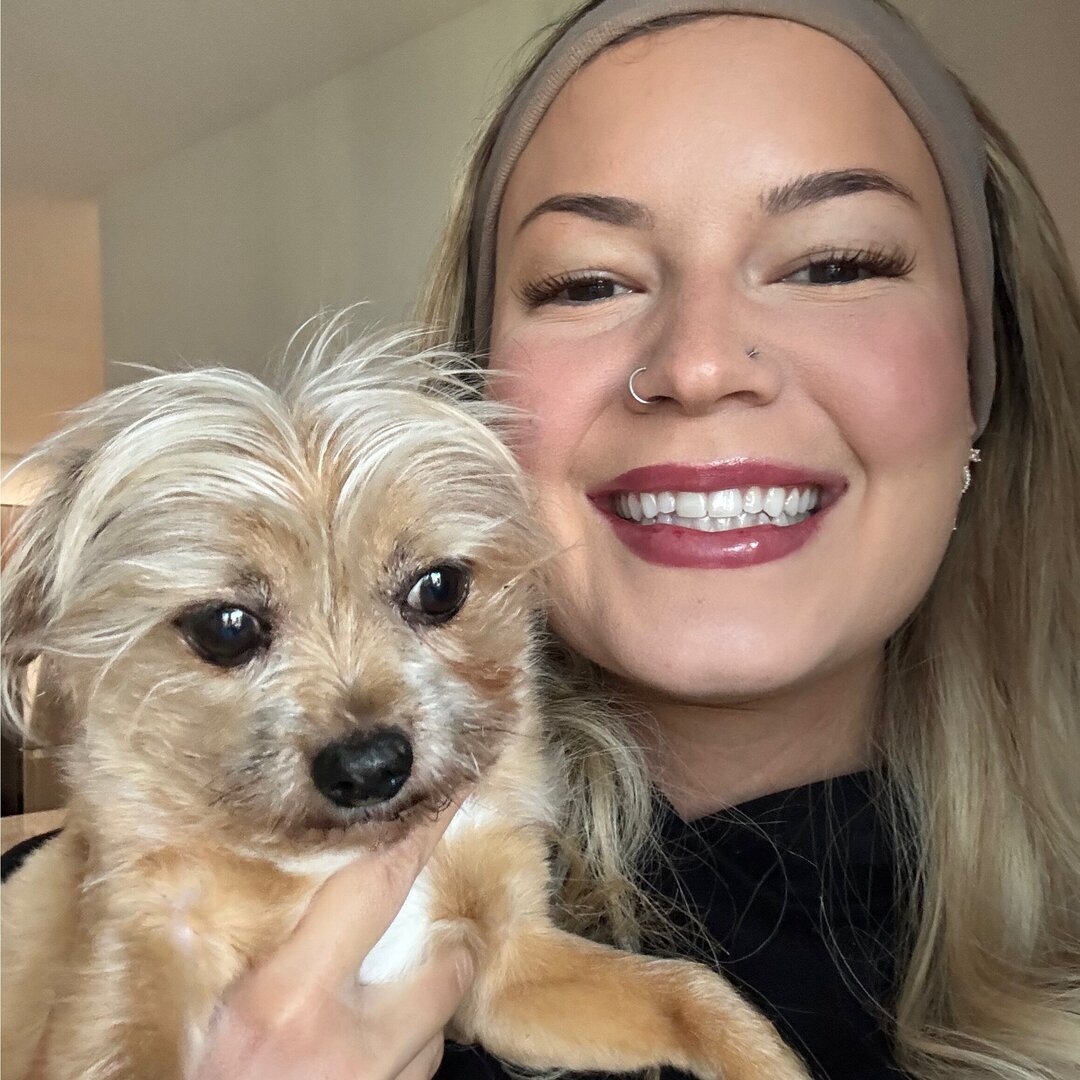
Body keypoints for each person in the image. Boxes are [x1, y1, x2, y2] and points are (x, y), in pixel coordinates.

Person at [9, 1, 1077, 1078]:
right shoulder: (92, 890)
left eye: (835, 264)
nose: (700, 365)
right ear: (475, 412)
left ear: (986, 370)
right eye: (587, 282)